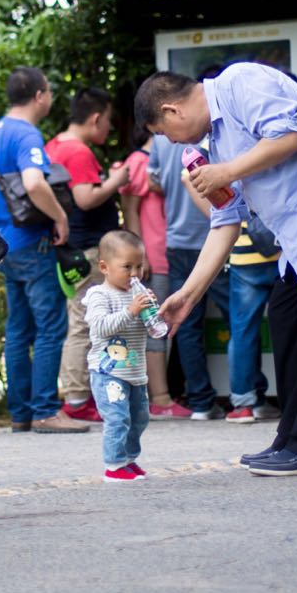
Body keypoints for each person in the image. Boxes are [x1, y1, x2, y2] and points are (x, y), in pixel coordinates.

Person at [137, 63, 297, 476]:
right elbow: (226, 223)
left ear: (171, 111)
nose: (170, 141)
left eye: (164, 134)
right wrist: (189, 294)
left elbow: (291, 136)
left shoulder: (239, 82)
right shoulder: (210, 147)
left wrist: (227, 171)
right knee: (287, 319)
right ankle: (291, 436)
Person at [0, 68, 90, 435]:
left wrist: (5, 210)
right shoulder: (26, 134)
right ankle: (46, 411)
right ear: (39, 95)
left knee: (18, 329)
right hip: (34, 244)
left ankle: (21, 413)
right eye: (49, 92)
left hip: (5, 243)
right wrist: (60, 217)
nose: (50, 98)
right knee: (51, 328)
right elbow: (35, 182)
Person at [47, 87, 131, 423]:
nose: (109, 128)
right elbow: (85, 198)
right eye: (108, 120)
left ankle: (82, 395)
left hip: (72, 249)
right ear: (96, 118)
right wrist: (116, 180)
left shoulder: (54, 144)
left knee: (81, 320)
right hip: (89, 249)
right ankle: (79, 398)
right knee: (85, 323)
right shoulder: (78, 152)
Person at [150, 131, 227, 420]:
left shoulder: (159, 141)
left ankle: (200, 402)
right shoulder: (211, 135)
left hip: (176, 239)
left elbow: (152, 181)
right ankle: (249, 394)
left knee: (186, 325)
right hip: (212, 237)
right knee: (238, 316)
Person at [83, 231, 156, 482]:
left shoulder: (137, 294)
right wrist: (131, 310)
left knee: (139, 418)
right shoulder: (98, 295)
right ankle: (113, 466)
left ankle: (128, 459)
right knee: (118, 418)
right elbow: (100, 327)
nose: (135, 273)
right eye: (127, 267)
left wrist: (152, 314)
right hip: (108, 372)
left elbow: (148, 329)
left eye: (139, 266)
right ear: (104, 266)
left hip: (135, 371)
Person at [119, 130, 179, 412]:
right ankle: (160, 398)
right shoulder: (139, 161)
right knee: (156, 325)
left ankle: (163, 395)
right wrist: (139, 257)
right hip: (153, 255)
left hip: (170, 251)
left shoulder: (159, 160)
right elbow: (130, 210)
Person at [224, 215, 280, 423]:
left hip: (244, 257)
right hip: (282, 250)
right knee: (294, 327)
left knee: (242, 332)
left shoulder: (231, 179)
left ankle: (244, 404)